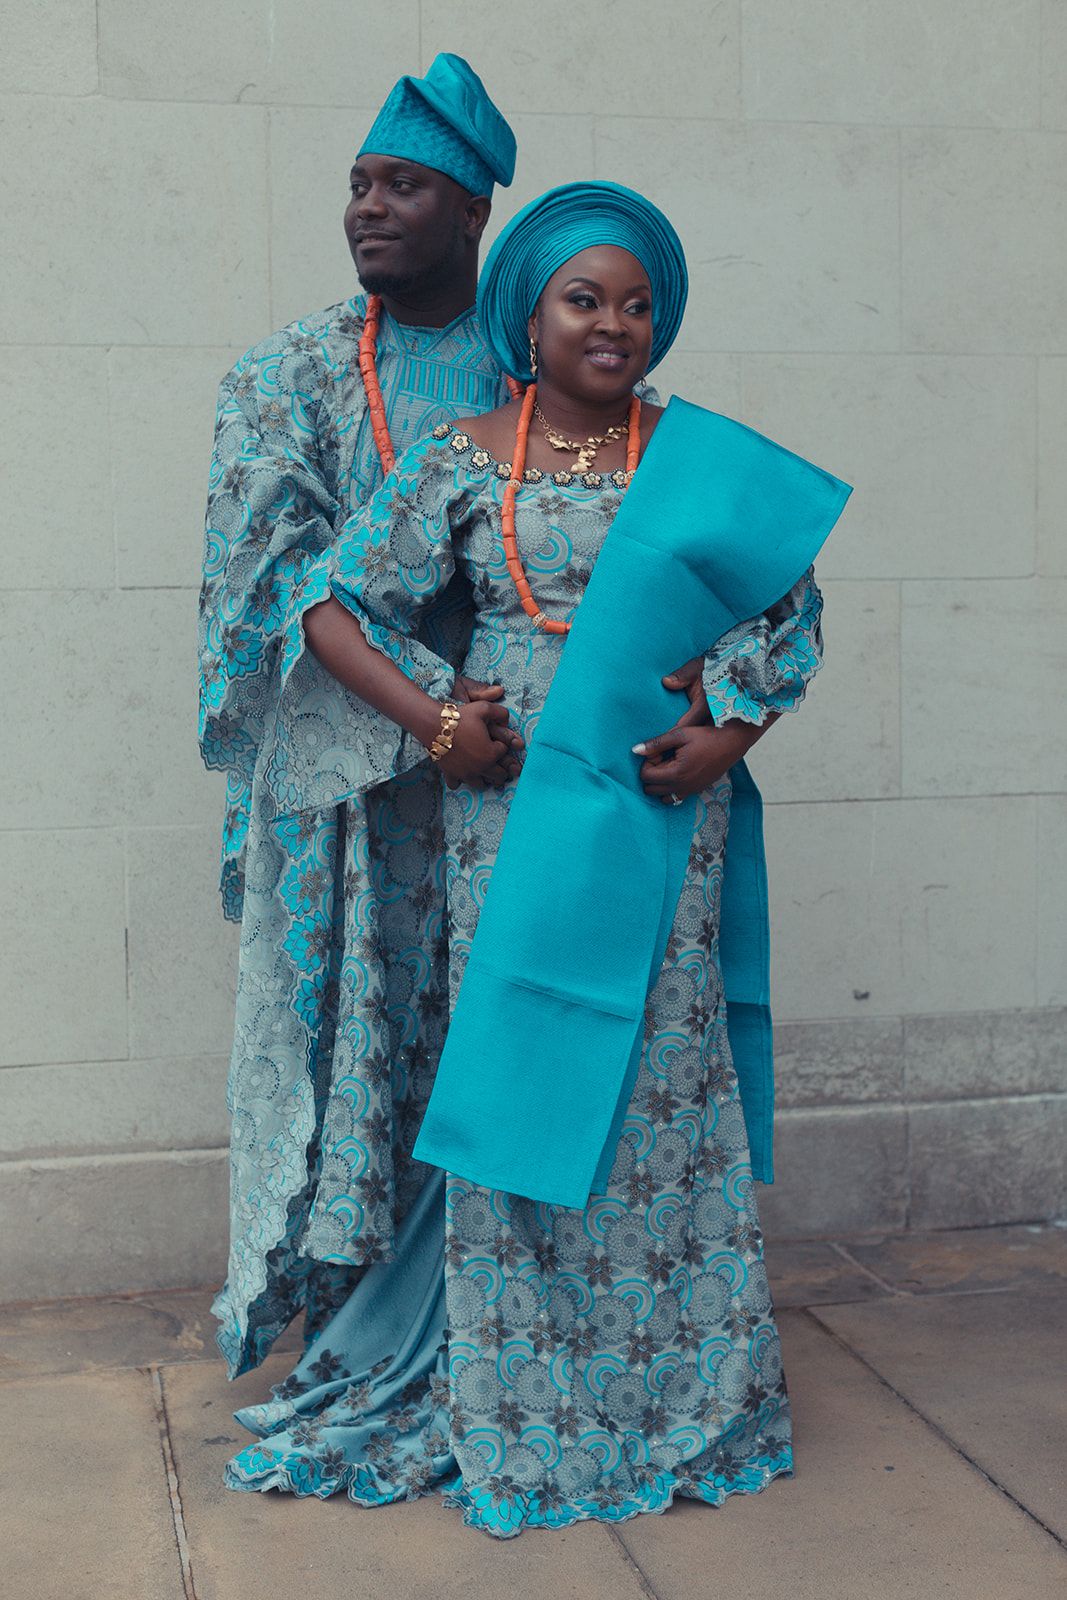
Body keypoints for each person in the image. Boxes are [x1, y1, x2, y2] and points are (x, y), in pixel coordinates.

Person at [221, 182, 850, 1536]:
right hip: (510, 819)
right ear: (530, 313)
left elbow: (789, 612)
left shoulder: (693, 457)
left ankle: (675, 1391)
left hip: (659, 818)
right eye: (584, 299)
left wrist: (730, 732)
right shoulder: (460, 458)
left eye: (637, 304)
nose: (614, 324)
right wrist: (436, 722)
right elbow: (328, 602)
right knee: (527, 1070)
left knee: (658, 1076)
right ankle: (525, 1393)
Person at [199, 55, 521, 1374]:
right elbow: (268, 592)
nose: (367, 209)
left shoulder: (542, 362)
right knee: (358, 1045)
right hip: (350, 792)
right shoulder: (287, 376)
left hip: (515, 773)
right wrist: (435, 708)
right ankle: (362, 1327)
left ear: (474, 211)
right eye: (357, 184)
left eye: (404, 186)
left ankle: (502, 1322)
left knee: (500, 1031)